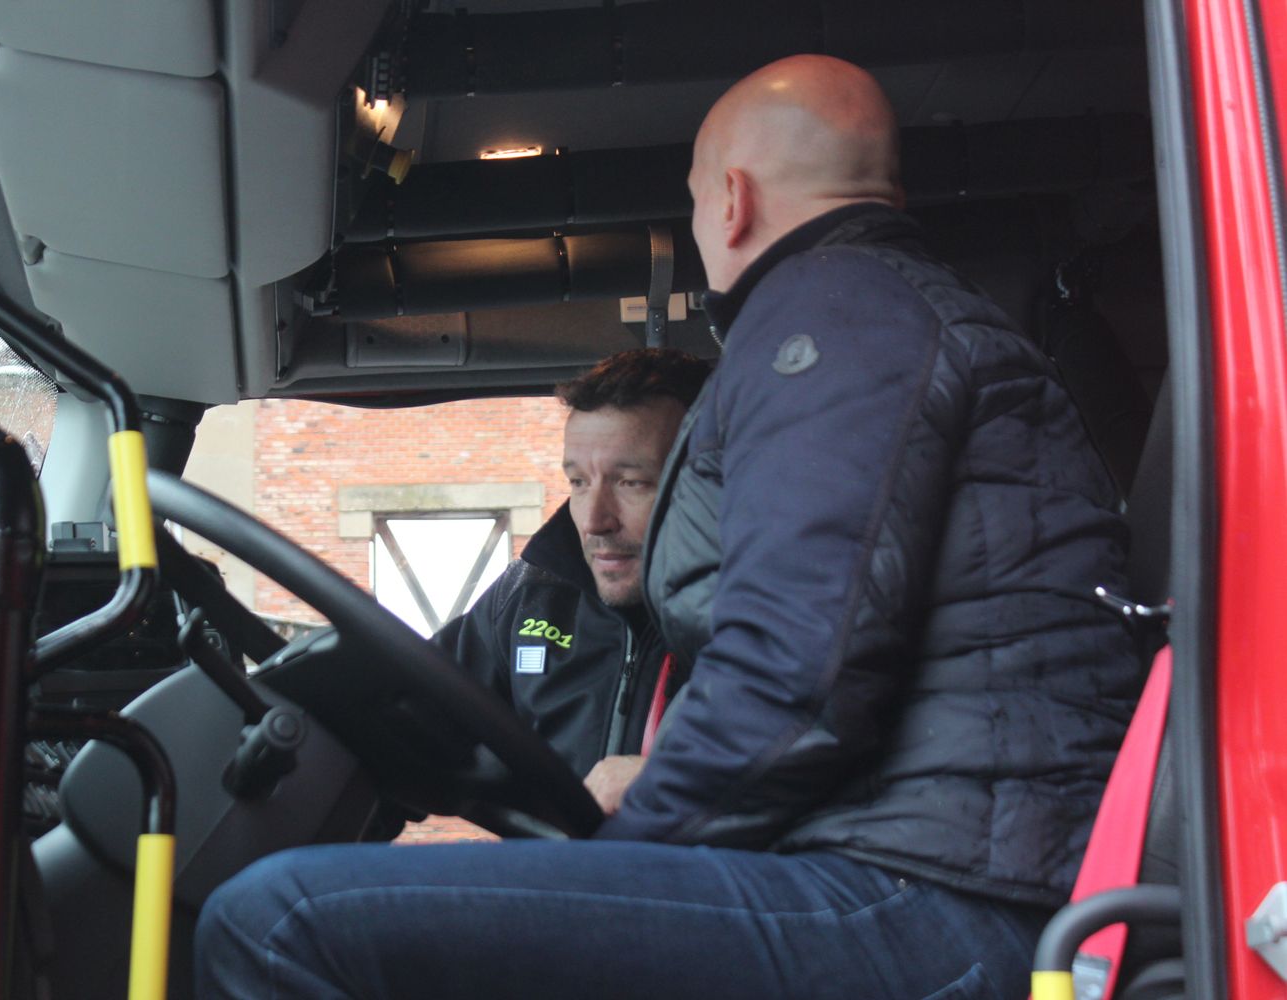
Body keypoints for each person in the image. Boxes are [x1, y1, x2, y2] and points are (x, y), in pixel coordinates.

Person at [196, 55, 1142, 1000]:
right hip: (946, 878)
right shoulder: (898, 316)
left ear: (729, 200)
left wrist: (629, 835)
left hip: (930, 903)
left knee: (276, 918)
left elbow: (794, 672)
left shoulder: (832, 317)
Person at [430, 348, 709, 799]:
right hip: (557, 862)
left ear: (706, 485)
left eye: (630, 482)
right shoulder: (531, 597)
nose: (594, 520)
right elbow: (418, 704)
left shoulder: (761, 613)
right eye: (578, 482)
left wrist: (681, 779)